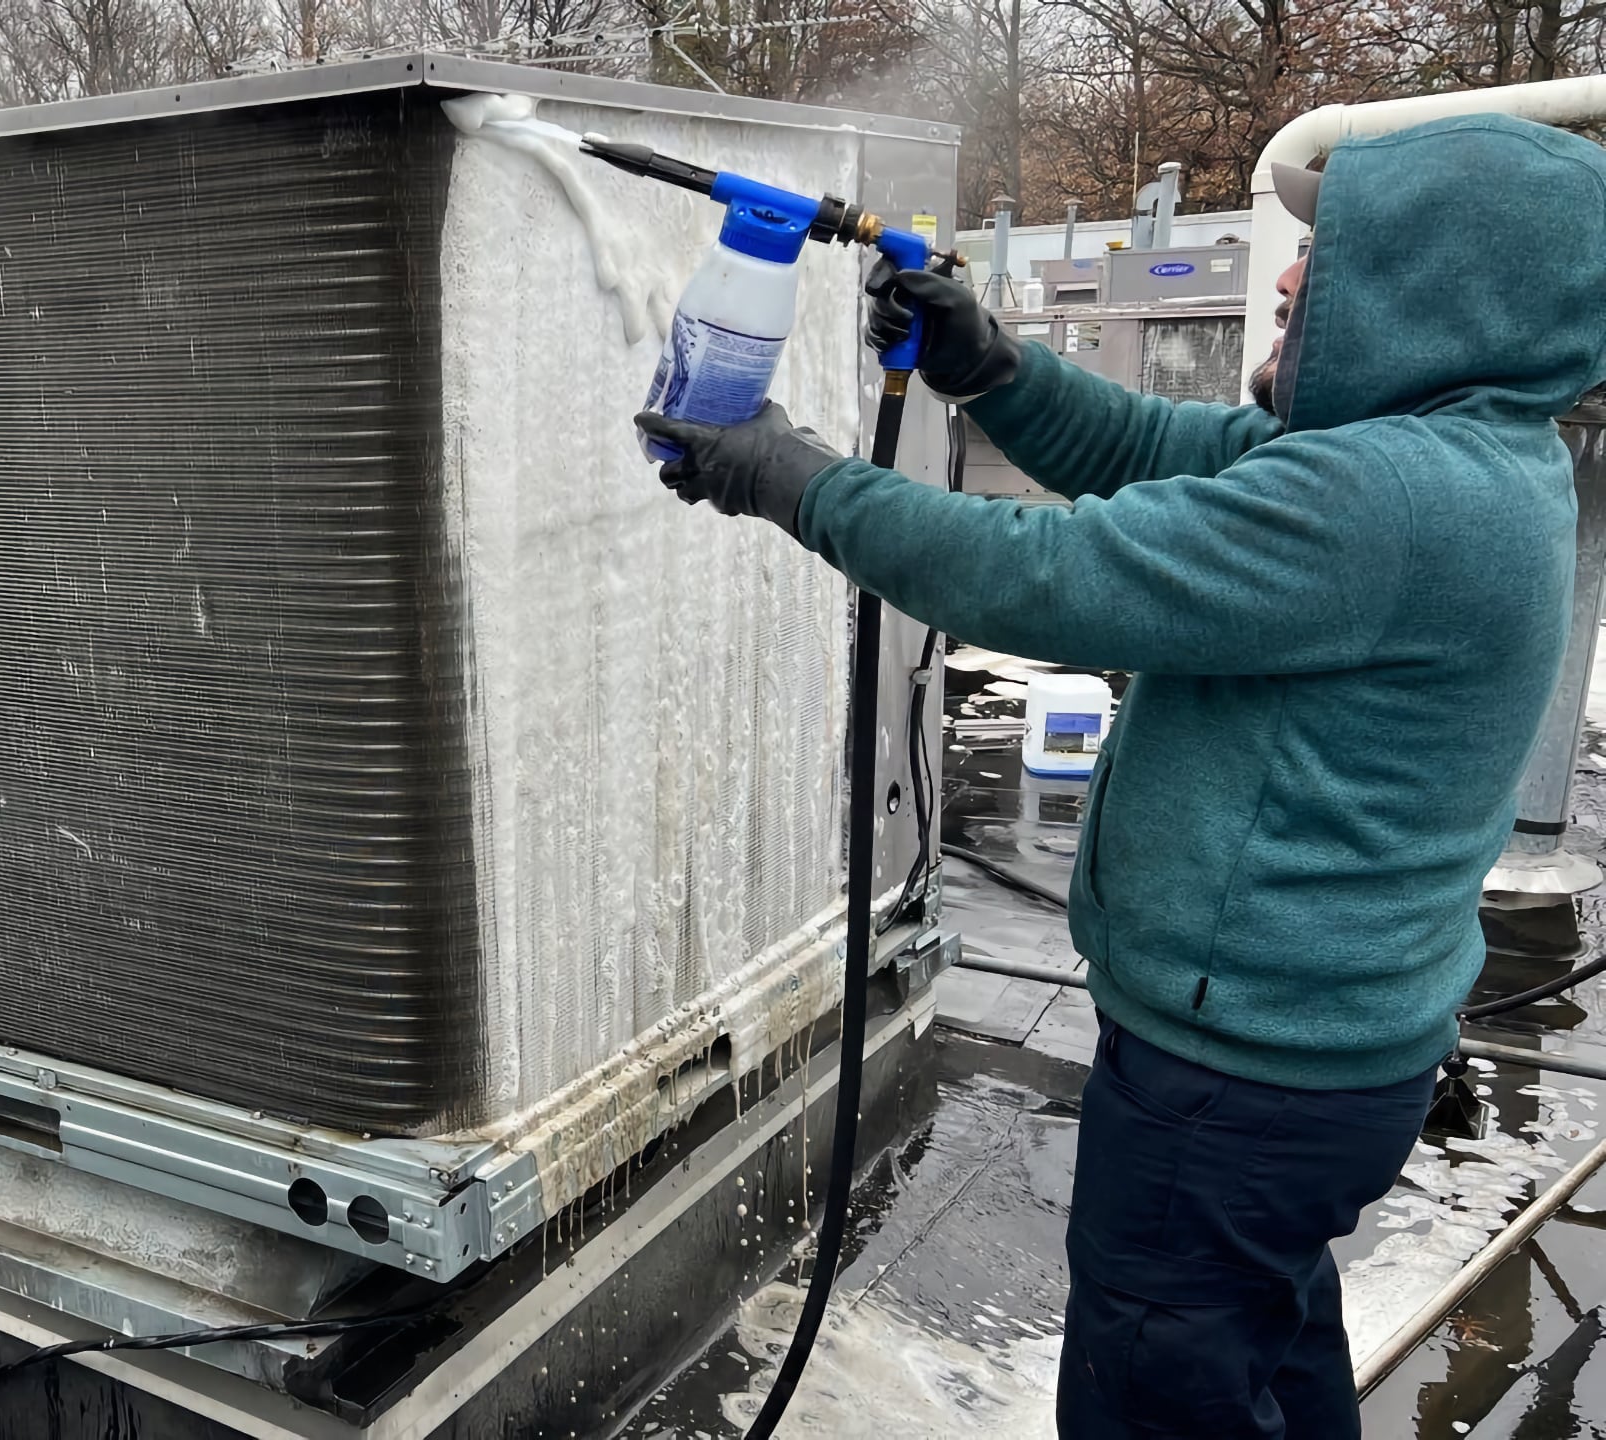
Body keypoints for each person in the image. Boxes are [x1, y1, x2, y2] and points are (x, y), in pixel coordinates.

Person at [633, 113, 1606, 1438]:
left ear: (1435, 292)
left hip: (1238, 1089)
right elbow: (1159, 453)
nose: (1283, 275)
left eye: (1324, 253)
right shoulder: (1457, 456)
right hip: (1312, 1069)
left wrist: (790, 479)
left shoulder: (1393, 500)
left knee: (1154, 1402)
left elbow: (1051, 578)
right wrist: (992, 369)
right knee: (1257, 1350)